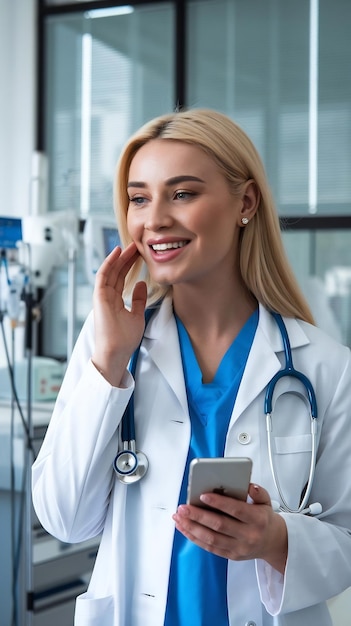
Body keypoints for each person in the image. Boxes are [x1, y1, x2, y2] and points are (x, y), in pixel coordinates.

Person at [32, 109, 351, 626]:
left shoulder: (326, 368)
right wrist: (110, 361)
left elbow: (346, 541)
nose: (153, 218)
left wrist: (275, 539)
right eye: (139, 197)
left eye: (181, 194)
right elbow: (65, 519)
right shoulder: (111, 343)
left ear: (244, 202)